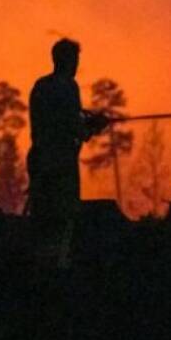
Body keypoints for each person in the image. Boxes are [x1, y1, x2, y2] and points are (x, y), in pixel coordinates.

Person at [27, 38, 108, 267]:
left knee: (42, 216)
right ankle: (59, 267)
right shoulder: (68, 87)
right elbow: (75, 128)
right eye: (75, 60)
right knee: (64, 216)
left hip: (38, 159)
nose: (76, 66)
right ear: (69, 61)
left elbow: (52, 121)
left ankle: (39, 264)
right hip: (60, 162)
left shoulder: (40, 86)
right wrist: (94, 127)